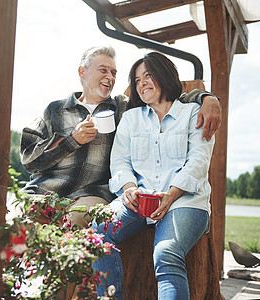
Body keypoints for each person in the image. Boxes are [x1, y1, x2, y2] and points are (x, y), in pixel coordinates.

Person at [20, 45, 221, 228]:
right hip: (47, 190)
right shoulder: (55, 109)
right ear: (82, 71)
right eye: (103, 70)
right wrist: (72, 139)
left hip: (92, 194)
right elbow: (29, 159)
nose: (110, 77)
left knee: (75, 226)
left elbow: (165, 98)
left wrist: (208, 98)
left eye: (114, 72)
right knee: (16, 224)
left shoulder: (124, 107)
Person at [92, 52, 215, 299]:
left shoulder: (193, 113)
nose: (142, 83)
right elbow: (119, 162)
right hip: (140, 201)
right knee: (98, 233)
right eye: (137, 80)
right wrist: (128, 188)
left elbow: (198, 162)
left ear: (164, 75)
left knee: (166, 253)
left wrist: (171, 195)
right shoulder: (130, 118)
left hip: (185, 202)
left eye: (148, 75)